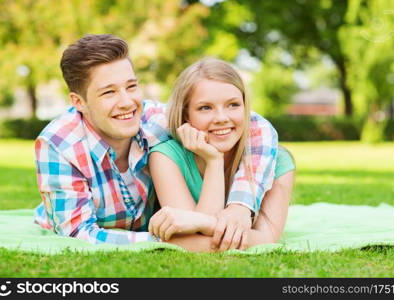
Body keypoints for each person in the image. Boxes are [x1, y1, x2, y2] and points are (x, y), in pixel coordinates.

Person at [34, 34, 279, 247]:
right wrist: (171, 241)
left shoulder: (154, 120)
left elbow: (256, 126)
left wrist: (240, 205)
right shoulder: (58, 145)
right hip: (134, 230)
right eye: (109, 92)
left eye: (131, 86)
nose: (127, 102)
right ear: (79, 102)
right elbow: (78, 234)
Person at [148, 57, 295, 252]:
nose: (221, 118)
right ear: (186, 115)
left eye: (233, 105)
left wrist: (205, 224)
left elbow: (268, 239)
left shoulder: (278, 162)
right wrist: (214, 161)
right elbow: (186, 239)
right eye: (205, 108)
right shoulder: (166, 156)